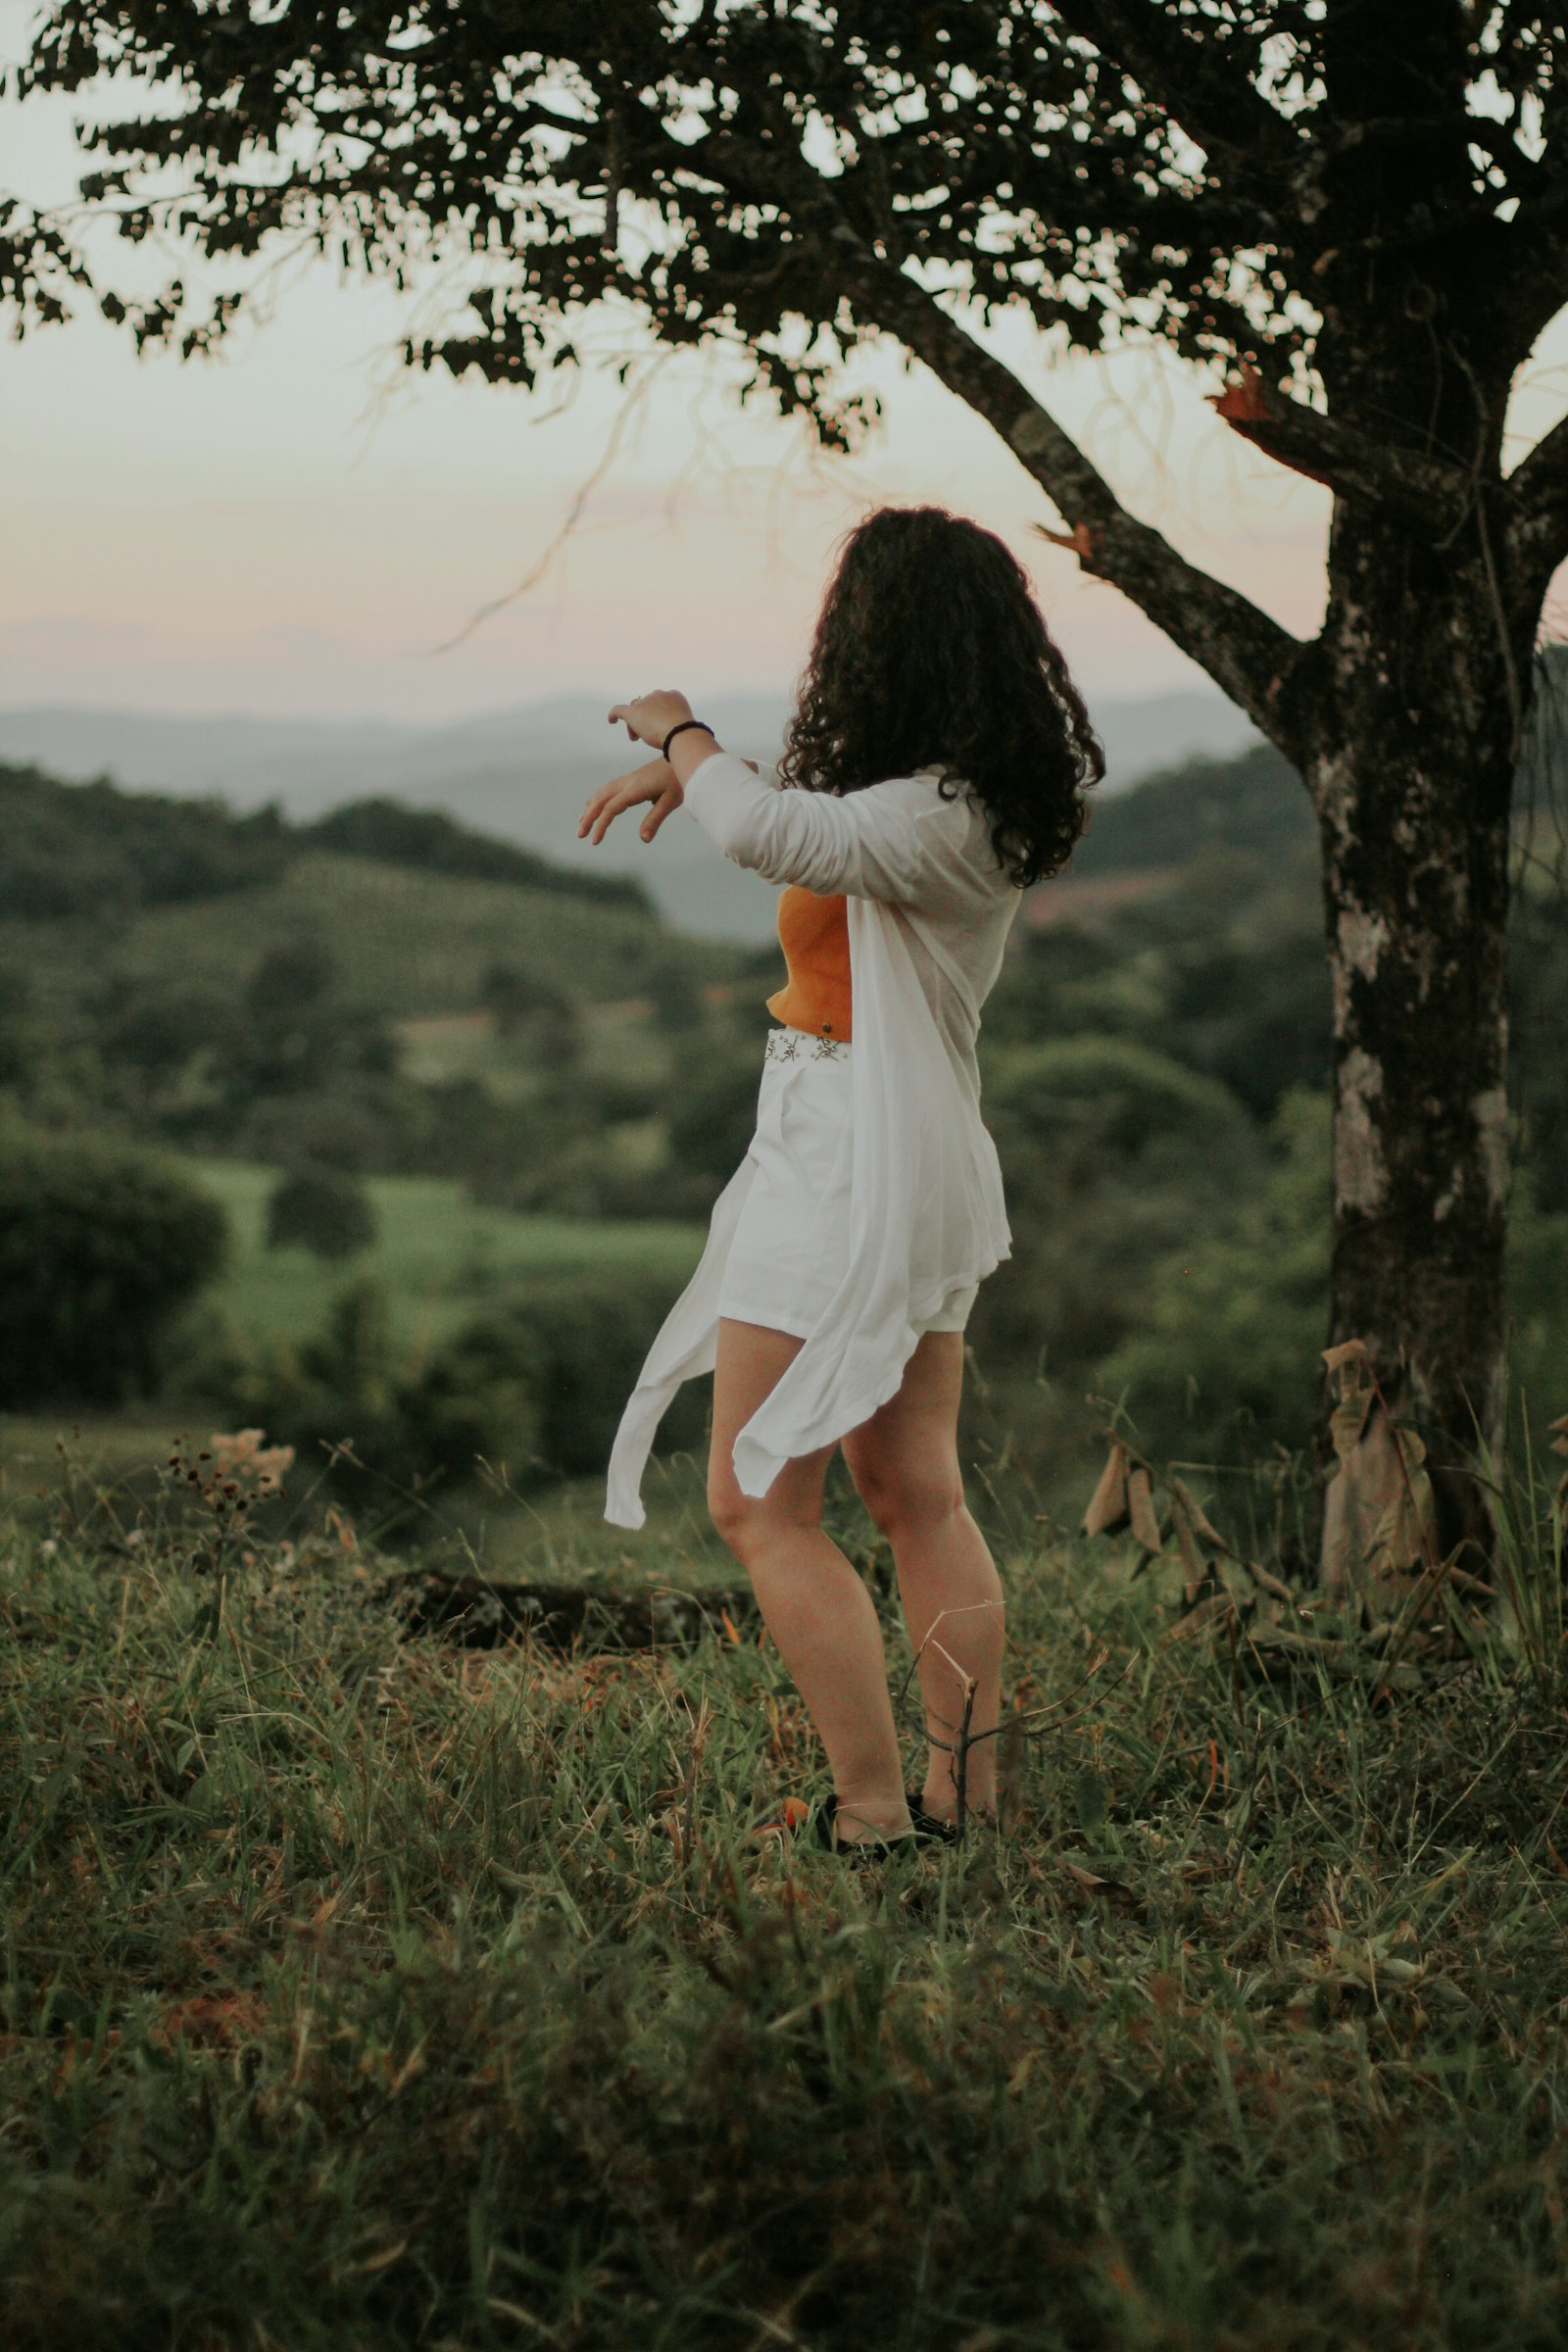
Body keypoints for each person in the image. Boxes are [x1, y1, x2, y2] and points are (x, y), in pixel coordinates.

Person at [578, 506, 1102, 1855]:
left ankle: (872, 1816)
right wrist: (707, 775)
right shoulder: (951, 800)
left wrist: (680, 734)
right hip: (892, 1154)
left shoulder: (930, 818)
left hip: (847, 1163)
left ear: (886, 640)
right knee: (912, 1488)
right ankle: (961, 1804)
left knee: (761, 1502)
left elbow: (772, 835)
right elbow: (802, 823)